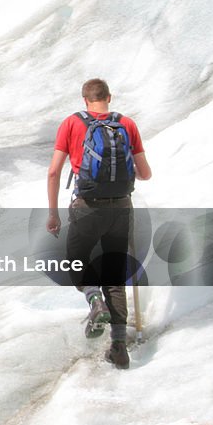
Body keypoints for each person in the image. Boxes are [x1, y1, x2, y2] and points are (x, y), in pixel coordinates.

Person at [46, 78, 153, 369]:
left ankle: (95, 301)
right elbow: (145, 174)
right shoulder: (126, 124)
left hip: (86, 208)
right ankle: (119, 347)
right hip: (120, 208)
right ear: (109, 97)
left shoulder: (72, 124)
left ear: (85, 100)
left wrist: (53, 214)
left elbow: (54, 172)